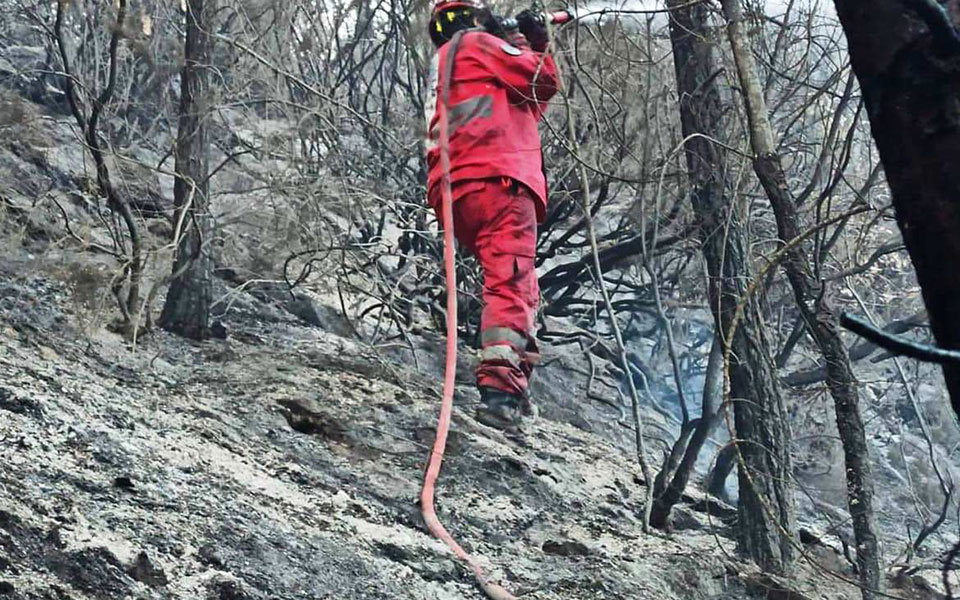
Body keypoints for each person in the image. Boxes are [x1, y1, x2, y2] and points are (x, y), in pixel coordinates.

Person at [424, 0, 558, 431]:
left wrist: (523, 41)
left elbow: (525, 103)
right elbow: (544, 79)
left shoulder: (448, 63)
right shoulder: (478, 45)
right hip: (498, 180)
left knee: (520, 285)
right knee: (511, 281)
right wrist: (529, 41)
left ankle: (514, 387)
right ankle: (499, 394)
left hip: (457, 191)